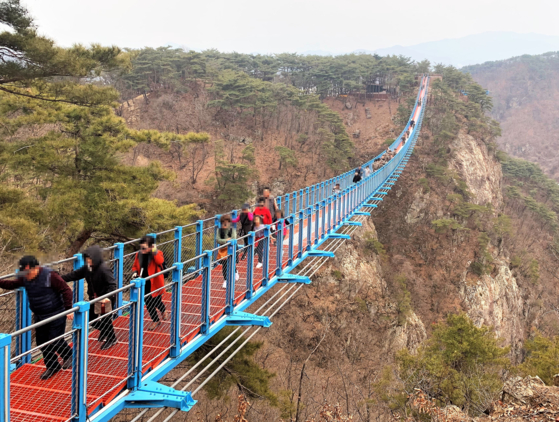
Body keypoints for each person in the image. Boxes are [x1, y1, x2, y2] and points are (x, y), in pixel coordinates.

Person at [0, 256, 73, 379]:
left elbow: (66, 290)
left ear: (36, 268)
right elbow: (12, 284)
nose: (26, 275)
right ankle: (52, 366)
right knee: (42, 342)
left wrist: (68, 309)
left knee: (55, 339)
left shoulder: (50, 275)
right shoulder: (25, 278)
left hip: (56, 313)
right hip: (40, 315)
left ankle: (69, 356)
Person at [62, 246, 117, 350]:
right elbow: (74, 275)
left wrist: (108, 297)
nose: (88, 261)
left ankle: (112, 338)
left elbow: (112, 285)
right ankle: (105, 331)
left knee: (105, 319)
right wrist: (59, 279)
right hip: (94, 297)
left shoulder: (103, 269)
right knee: (90, 317)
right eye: (86, 259)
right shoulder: (87, 268)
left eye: (90, 259)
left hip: (105, 298)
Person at [131, 236, 167, 330]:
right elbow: (134, 266)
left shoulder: (157, 253)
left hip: (155, 282)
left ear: (151, 247)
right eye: (141, 248)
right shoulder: (138, 254)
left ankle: (163, 310)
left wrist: (154, 251)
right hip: (144, 282)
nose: (142, 250)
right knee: (148, 302)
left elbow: (160, 261)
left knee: (156, 301)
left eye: (144, 248)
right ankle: (155, 320)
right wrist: (135, 272)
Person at [216, 214, 240, 289]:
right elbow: (217, 240)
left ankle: (235, 272)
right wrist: (226, 240)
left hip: (232, 249)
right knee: (224, 265)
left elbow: (233, 238)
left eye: (226, 223)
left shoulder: (232, 230)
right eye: (223, 223)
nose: (224, 224)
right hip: (223, 250)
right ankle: (226, 280)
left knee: (232, 263)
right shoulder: (219, 230)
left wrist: (224, 241)